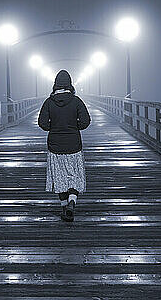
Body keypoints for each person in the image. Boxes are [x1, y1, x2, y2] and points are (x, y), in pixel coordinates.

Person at [38, 70, 91, 222]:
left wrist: (54, 128)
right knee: (74, 176)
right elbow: (86, 121)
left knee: (60, 178)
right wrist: (74, 127)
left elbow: (42, 123)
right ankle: (72, 202)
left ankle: (63, 208)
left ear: (55, 85)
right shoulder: (76, 101)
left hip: (55, 146)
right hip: (74, 145)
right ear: (70, 84)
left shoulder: (49, 102)